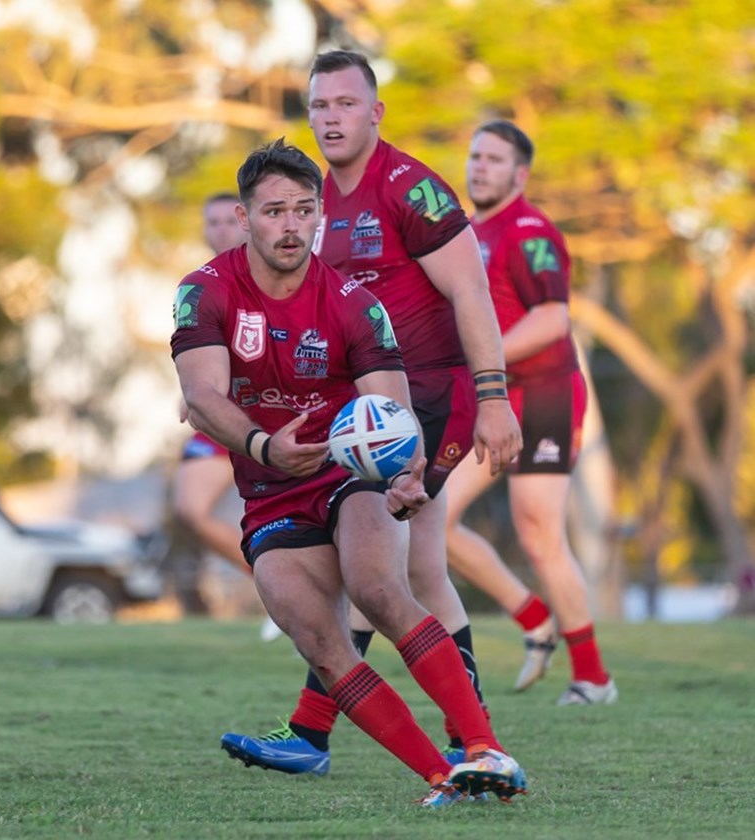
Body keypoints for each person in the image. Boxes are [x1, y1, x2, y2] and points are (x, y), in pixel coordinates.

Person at [171, 138, 527, 805]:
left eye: (305, 210)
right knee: (322, 644)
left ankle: (484, 749)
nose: (291, 224)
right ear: (245, 219)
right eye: (274, 211)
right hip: (270, 494)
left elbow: (389, 404)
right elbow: (202, 396)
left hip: (345, 478)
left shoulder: (353, 302)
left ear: (320, 218)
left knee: (379, 587)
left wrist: (405, 467)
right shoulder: (205, 291)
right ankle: (441, 776)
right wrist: (266, 448)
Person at [443, 119, 617, 705]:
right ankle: (532, 616)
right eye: (474, 156)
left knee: (540, 535)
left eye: (493, 159)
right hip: (492, 396)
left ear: (520, 174)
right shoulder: (465, 233)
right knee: (431, 519)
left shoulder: (530, 230)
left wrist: (483, 357)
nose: (478, 167)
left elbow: (551, 320)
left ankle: (593, 677)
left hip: (542, 392)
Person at [172, 193, 282, 639]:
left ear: (244, 224)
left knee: (293, 510)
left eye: (226, 221)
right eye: (210, 221)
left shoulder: (271, 272)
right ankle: (278, 584)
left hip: (269, 407)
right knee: (188, 508)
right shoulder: (200, 283)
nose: (219, 229)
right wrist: (195, 391)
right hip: (220, 412)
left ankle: (296, 590)